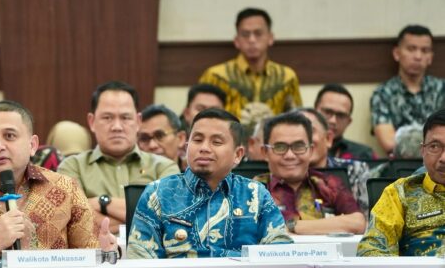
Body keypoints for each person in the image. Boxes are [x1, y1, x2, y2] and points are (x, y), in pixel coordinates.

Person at [0, 101, 117, 263]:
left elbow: (89, 256)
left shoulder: (66, 189)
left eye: (9, 136)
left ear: (32, 145)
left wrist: (104, 252)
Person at [128, 108, 291, 258]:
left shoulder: (255, 195)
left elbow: (280, 254)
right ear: (186, 147)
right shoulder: (158, 193)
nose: (204, 148)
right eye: (197, 140)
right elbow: (140, 261)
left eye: (216, 142)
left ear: (238, 154)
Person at [58, 81, 180, 233]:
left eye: (125, 118)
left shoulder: (164, 167)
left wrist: (102, 203)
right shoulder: (72, 166)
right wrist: (145, 219)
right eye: (107, 117)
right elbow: (74, 221)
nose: (117, 127)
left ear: (138, 121)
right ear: (92, 121)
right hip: (94, 254)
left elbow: (170, 217)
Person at [254, 112, 366, 235]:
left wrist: (293, 226)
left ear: (311, 151)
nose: (290, 155)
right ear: (265, 152)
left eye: (298, 146)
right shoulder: (252, 190)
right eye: (280, 147)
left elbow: (358, 223)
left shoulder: (328, 184)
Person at [358, 109, 445, 257]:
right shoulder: (399, 193)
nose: (443, 158)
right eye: (435, 147)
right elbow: (371, 249)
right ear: (422, 151)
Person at [199, 8, 302, 117]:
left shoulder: (287, 77)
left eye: (258, 33)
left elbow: (296, 118)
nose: (252, 40)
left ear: (270, 38)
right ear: (236, 41)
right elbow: (199, 115)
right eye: (245, 34)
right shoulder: (215, 76)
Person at [371, 25, 445, 155]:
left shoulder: (442, 90)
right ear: (397, 53)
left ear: (430, 57)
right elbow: (388, 142)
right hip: (402, 166)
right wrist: (433, 146)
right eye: (411, 49)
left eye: (424, 50)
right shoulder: (383, 93)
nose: (418, 56)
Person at [298, 108, 371, 214]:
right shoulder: (280, 175)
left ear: (328, 138)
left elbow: (365, 221)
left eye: (309, 131)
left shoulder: (354, 170)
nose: (302, 140)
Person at [314, 84, 376, 160]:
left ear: (348, 122)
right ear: (314, 112)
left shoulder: (364, 155)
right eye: (328, 112)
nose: (333, 121)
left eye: (341, 115)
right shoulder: (299, 151)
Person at [138, 104, 187, 171]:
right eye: (144, 138)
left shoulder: (195, 178)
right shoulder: (132, 177)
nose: (152, 145)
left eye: (159, 136)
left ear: (180, 138)